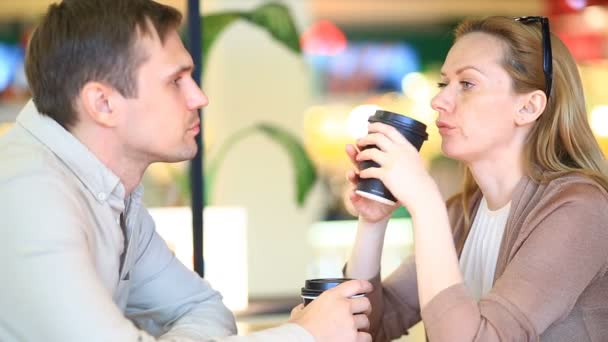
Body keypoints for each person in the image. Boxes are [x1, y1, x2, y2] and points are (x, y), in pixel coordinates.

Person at [0, 1, 373, 341]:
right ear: (103, 103)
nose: (199, 97)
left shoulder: (109, 193)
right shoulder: (27, 198)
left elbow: (205, 309)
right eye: (176, 81)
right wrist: (303, 336)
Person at [344, 15, 608, 341]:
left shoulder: (581, 209)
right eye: (444, 84)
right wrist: (372, 222)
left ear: (528, 107)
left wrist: (425, 201)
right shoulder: (462, 215)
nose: (438, 101)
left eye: (467, 84)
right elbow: (366, 329)